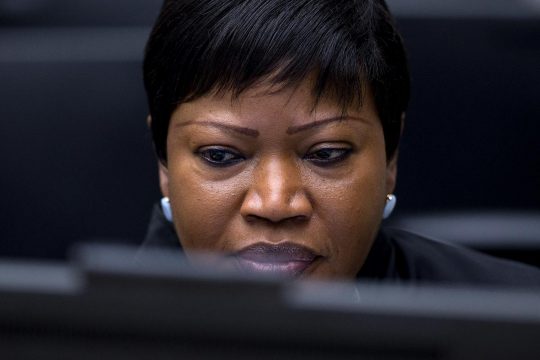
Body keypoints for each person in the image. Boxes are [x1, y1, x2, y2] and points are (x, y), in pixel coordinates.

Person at [140, 0, 540, 285]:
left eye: (327, 154)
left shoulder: (517, 322)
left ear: (391, 158)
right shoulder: (84, 339)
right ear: (163, 162)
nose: (276, 204)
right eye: (221, 155)